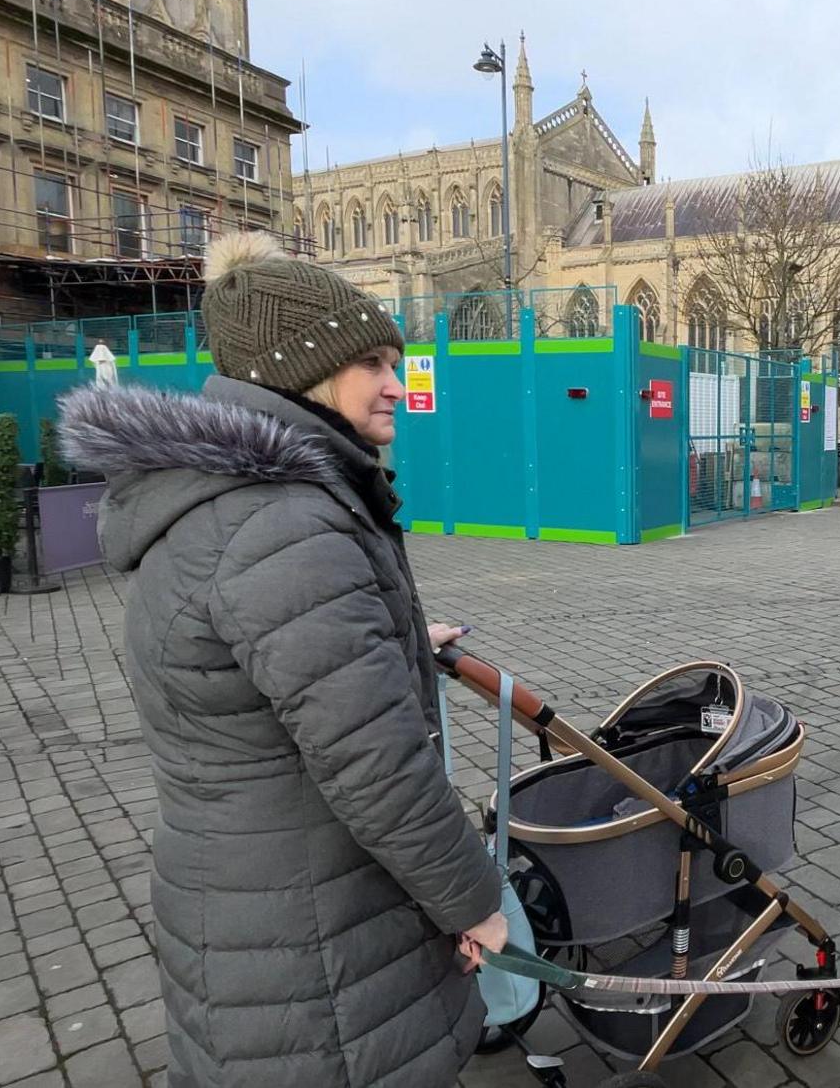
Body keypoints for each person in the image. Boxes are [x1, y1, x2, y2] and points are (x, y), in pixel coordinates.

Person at [58, 232, 507, 1088]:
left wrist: (397, 636)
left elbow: (284, 662)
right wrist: (476, 901)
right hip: (315, 931)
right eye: (370, 361)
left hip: (244, 901)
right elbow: (379, 767)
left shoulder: (230, 502)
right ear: (301, 372)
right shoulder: (284, 523)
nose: (394, 381)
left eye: (395, 358)